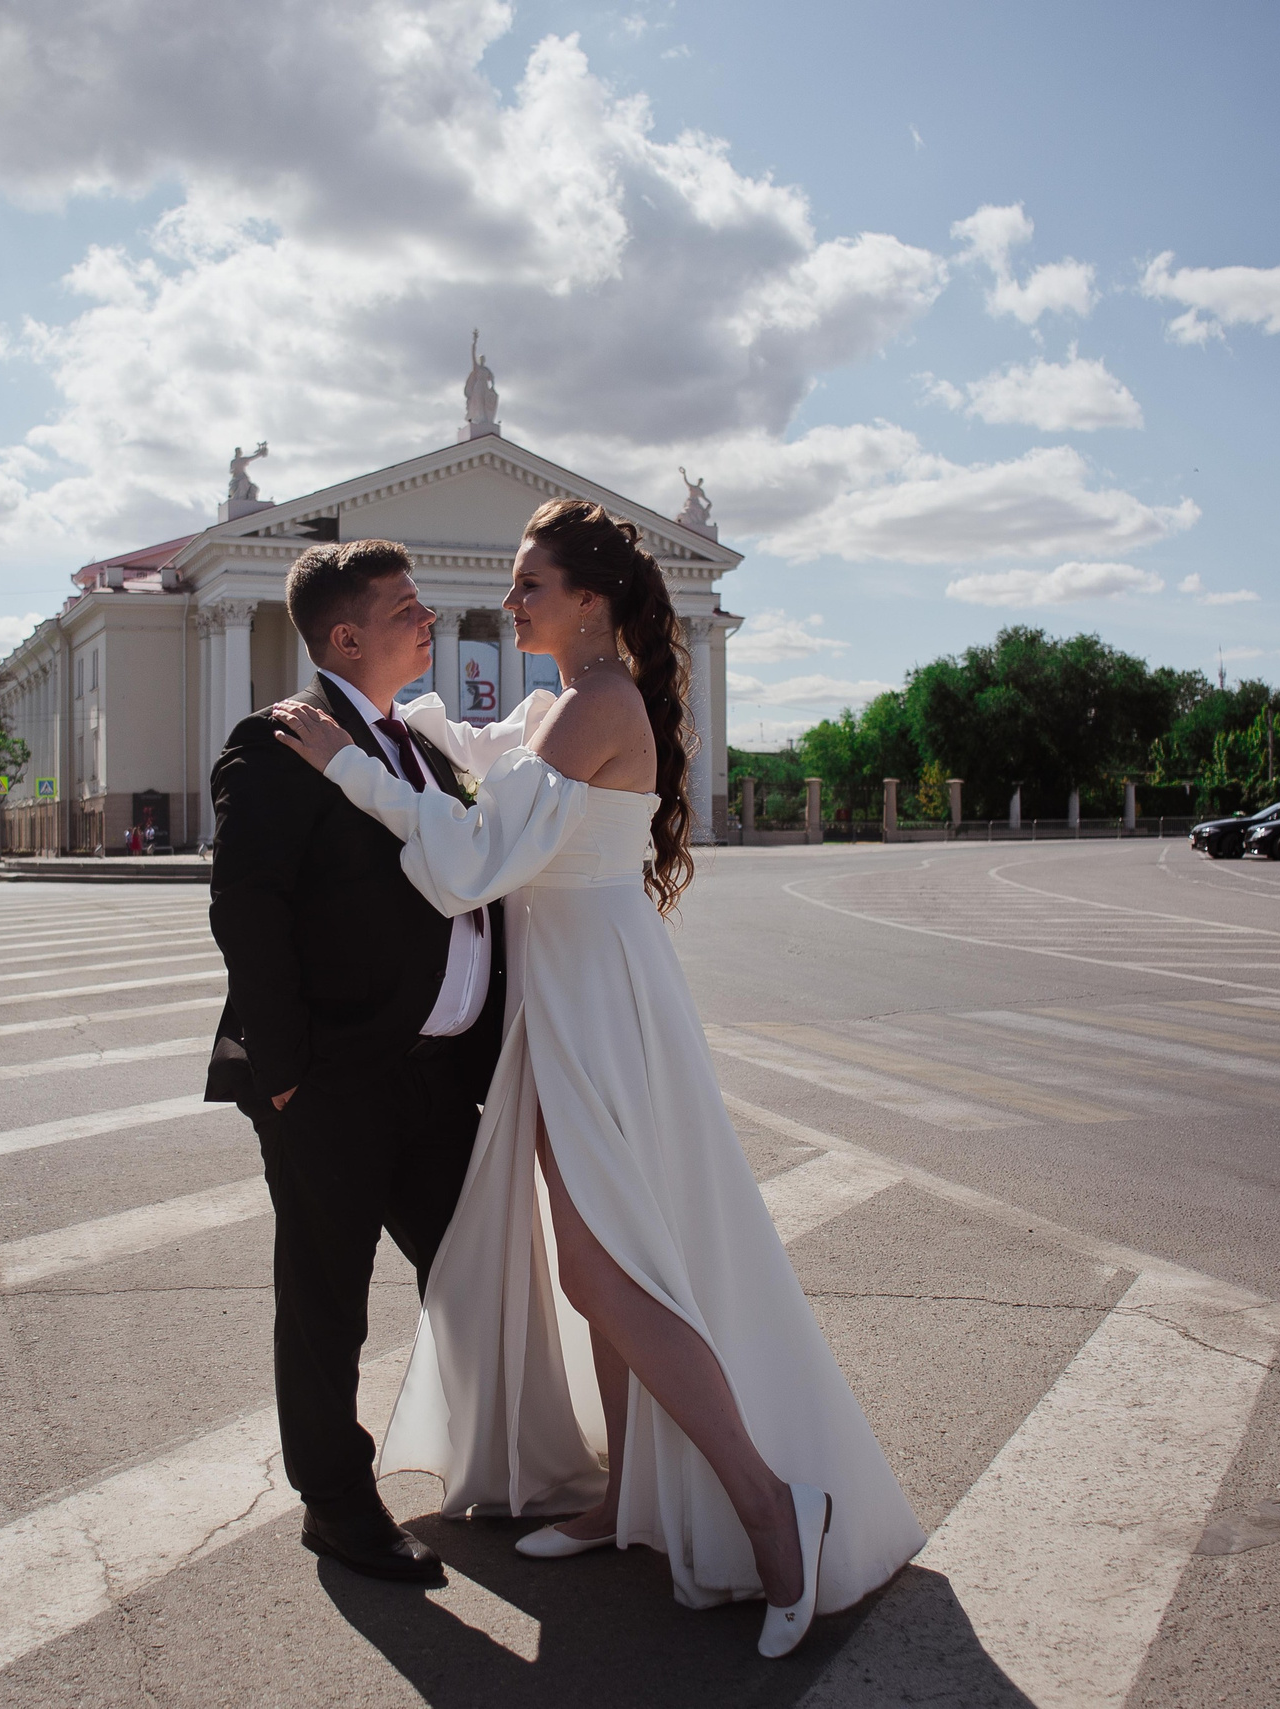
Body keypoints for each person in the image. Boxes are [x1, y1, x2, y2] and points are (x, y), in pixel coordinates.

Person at [268, 499, 922, 1658]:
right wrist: (391, 727)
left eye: (529, 585)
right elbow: (477, 758)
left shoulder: (598, 704)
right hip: (568, 999)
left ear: (591, 601)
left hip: (600, 1007)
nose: (509, 601)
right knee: (598, 1263)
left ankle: (778, 1513)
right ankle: (625, 1499)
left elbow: (471, 861)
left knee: (607, 1268)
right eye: (515, 584)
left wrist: (353, 770)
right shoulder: (559, 707)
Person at [204, 538, 505, 1588]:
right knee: (329, 1297)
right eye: (407, 608)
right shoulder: (276, 742)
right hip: (331, 1079)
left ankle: (491, 1457)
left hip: (434, 1076)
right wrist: (284, 1072)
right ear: (345, 635)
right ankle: (336, 1502)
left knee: (474, 1270)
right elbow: (247, 908)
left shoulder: (415, 743)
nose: (429, 620)